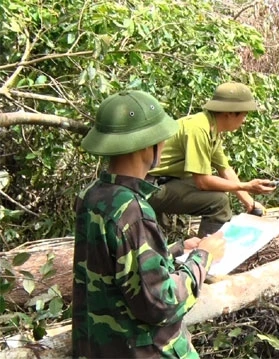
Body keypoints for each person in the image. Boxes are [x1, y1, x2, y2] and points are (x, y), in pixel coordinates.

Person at [73, 90, 225, 358]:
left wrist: (177, 249)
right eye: (161, 139)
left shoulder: (92, 196)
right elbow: (161, 304)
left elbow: (116, 266)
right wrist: (203, 257)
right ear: (147, 146)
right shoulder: (132, 211)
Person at [147, 82, 275, 237]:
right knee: (218, 202)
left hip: (162, 182)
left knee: (221, 190)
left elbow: (225, 169)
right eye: (244, 114)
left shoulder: (211, 128)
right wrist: (246, 185)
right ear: (229, 113)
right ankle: (207, 254)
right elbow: (203, 182)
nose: (244, 120)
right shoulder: (199, 129)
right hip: (147, 188)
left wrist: (250, 203)